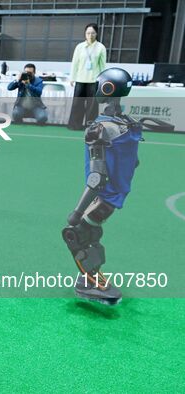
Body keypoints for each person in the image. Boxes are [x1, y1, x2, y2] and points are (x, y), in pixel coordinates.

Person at [62, 68, 141, 306]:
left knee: (75, 233)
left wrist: (77, 211)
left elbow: (96, 178)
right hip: (118, 194)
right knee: (92, 234)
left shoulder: (101, 128)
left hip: (104, 197)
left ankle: (87, 283)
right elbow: (134, 162)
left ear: (106, 88)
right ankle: (94, 276)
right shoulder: (129, 125)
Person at [68, 23, 107, 130]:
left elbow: (103, 66)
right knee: (77, 104)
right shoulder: (80, 47)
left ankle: (91, 127)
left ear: (97, 34)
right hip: (80, 80)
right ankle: (75, 125)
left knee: (92, 106)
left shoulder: (101, 47)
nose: (90, 35)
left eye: (93, 33)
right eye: (88, 33)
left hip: (94, 81)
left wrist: (103, 80)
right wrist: (72, 77)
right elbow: (74, 63)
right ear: (85, 34)